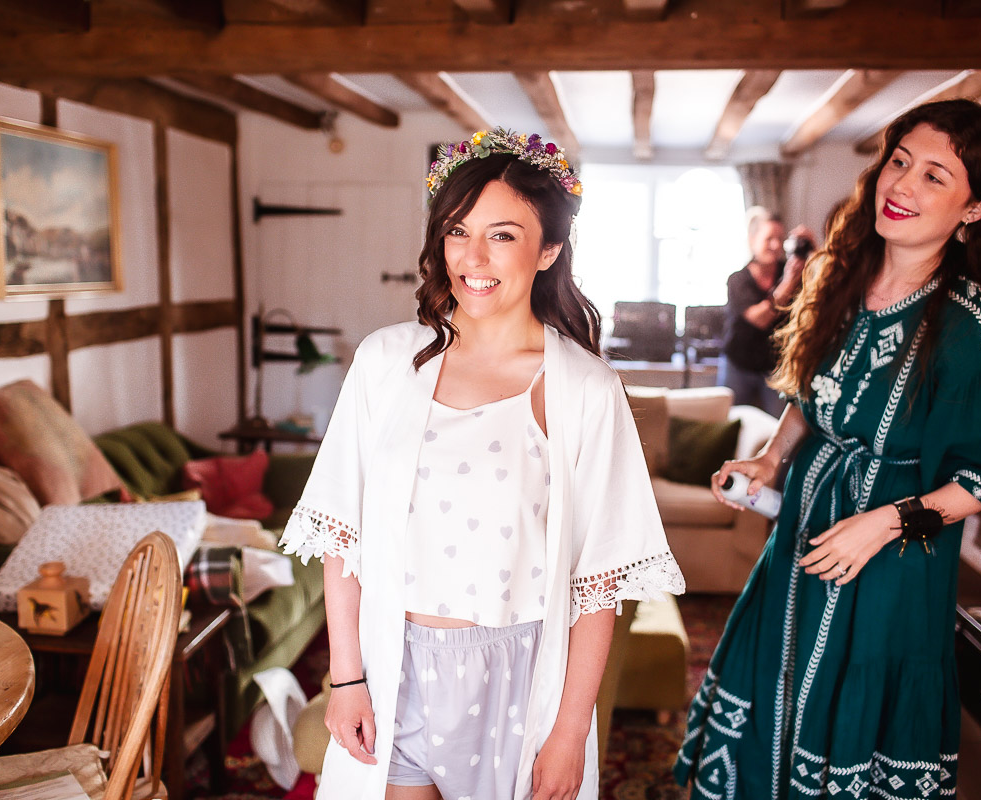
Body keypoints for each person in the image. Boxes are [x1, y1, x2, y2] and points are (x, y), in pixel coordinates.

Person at [282, 128, 684, 800]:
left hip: (520, 677)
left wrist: (570, 731)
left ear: (549, 248)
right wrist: (345, 676)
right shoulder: (386, 363)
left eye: (502, 234)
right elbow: (341, 536)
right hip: (393, 665)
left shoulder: (584, 388)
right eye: (458, 231)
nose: (474, 256)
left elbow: (598, 584)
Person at [674, 98, 981, 799]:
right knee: (772, 690)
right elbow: (808, 394)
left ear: (975, 208)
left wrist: (886, 522)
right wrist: (770, 461)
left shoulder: (974, 326)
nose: (902, 185)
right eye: (900, 162)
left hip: (893, 563)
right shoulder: (843, 280)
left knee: (849, 718)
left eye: (936, 176)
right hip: (800, 540)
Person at [718, 207, 815, 417]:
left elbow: (822, 296)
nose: (775, 245)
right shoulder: (738, 280)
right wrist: (788, 284)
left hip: (776, 367)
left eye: (780, 239)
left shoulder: (794, 270)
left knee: (777, 427)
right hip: (739, 364)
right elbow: (759, 319)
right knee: (729, 422)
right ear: (753, 241)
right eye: (769, 238)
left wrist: (814, 253)